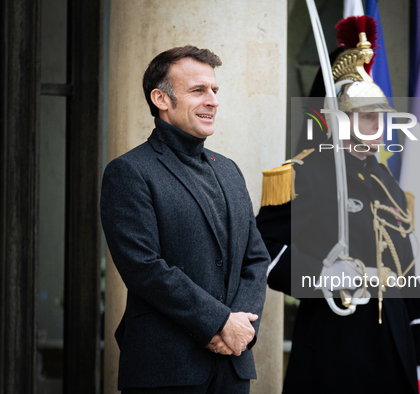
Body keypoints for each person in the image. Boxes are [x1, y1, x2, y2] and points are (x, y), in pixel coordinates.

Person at [256, 17, 420, 393]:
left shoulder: (385, 180)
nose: (378, 125)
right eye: (367, 117)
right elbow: (261, 252)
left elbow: (406, 265)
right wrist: (318, 275)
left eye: (379, 117)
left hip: (394, 343)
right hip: (335, 340)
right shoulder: (306, 173)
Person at [100, 45, 270, 394]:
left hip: (232, 366)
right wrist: (219, 322)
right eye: (198, 90)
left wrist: (240, 327)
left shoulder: (229, 170)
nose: (213, 100)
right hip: (165, 369)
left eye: (214, 90)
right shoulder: (129, 172)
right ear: (161, 99)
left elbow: (256, 259)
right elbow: (144, 267)